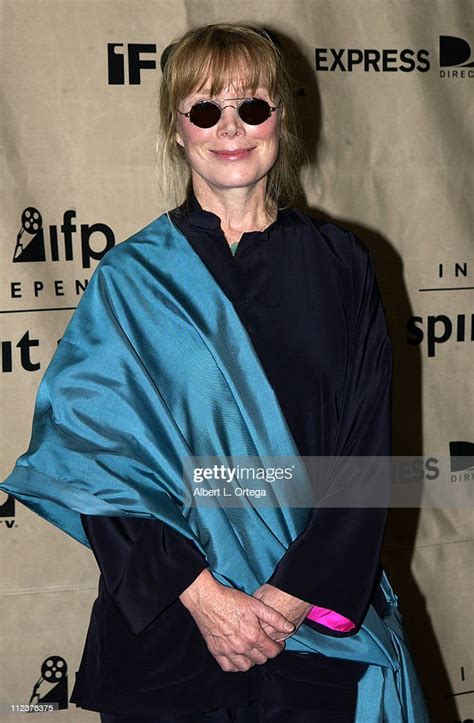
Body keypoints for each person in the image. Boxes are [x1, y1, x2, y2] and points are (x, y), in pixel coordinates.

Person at [1, 22, 429, 723]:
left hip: (314, 634)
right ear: (177, 127)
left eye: (251, 106)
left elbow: (365, 455)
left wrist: (285, 603)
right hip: (171, 639)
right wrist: (204, 597)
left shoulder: (343, 264)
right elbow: (98, 466)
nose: (230, 127)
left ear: (281, 120)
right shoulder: (129, 280)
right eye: (205, 109)